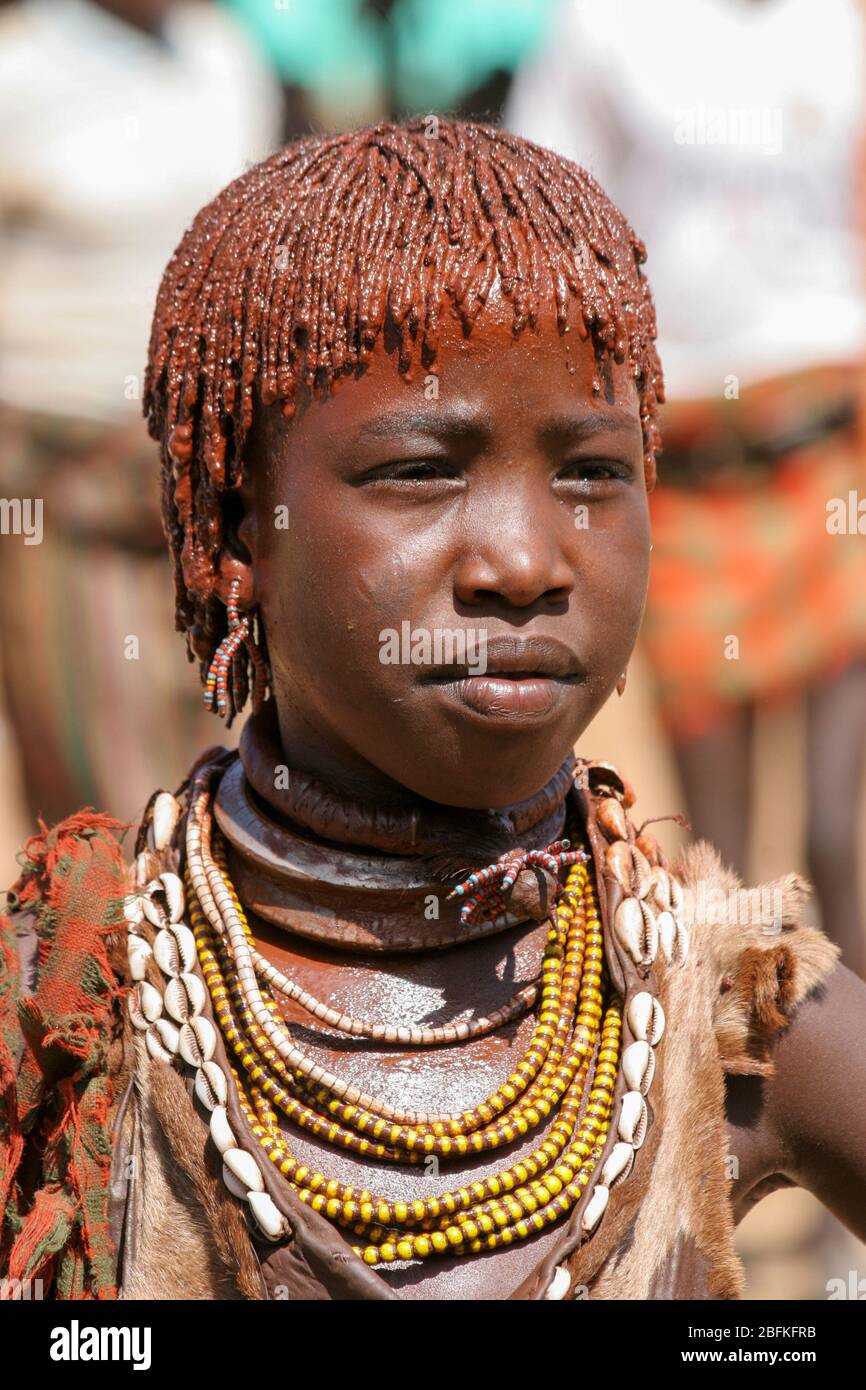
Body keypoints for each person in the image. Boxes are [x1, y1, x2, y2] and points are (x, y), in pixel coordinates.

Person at [1, 120, 864, 1302]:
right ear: (239, 525)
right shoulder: (68, 1001)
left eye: (591, 472)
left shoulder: (739, 1015)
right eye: (419, 470)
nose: (522, 560)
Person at [506, 0, 866, 979]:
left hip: (834, 450)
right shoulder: (602, 28)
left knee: (842, 830)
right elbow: (551, 227)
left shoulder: (839, 22)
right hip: (690, 466)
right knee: (727, 850)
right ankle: (746, 1100)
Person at [0, 0, 280, 828]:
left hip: (211, 470)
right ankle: (104, 952)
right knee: (102, 783)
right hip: (61, 469)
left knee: (227, 766)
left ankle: (205, 950)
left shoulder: (223, 55)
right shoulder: (23, 68)